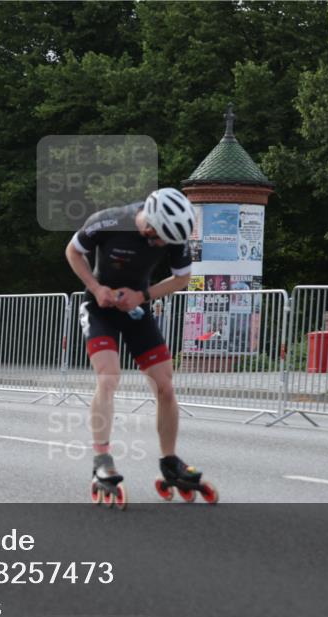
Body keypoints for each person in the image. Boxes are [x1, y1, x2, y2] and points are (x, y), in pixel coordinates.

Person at [64, 187, 217, 506]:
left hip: (136, 309)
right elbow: (73, 252)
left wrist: (143, 296)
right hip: (98, 307)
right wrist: (96, 287)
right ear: (149, 223)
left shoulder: (174, 236)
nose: (163, 244)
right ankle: (102, 460)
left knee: (165, 385)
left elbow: (182, 278)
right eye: (159, 237)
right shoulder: (109, 221)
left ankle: (169, 461)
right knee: (109, 376)